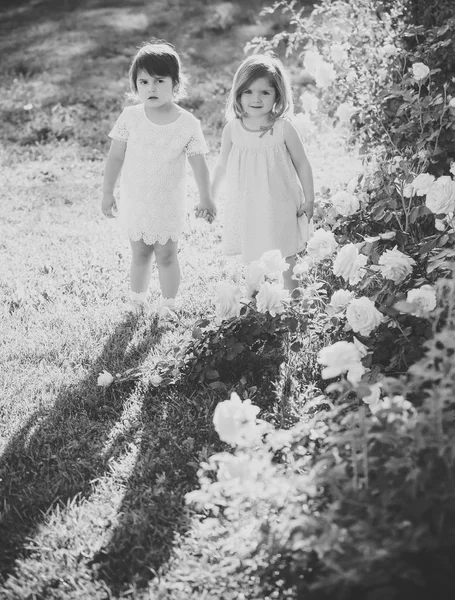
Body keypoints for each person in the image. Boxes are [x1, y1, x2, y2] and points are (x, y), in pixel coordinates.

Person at [102, 40, 216, 317]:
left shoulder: (187, 123)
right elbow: (115, 157)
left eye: (159, 80)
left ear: (175, 84)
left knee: (166, 255)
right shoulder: (130, 118)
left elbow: (199, 164)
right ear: (135, 85)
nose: (151, 88)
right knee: (140, 253)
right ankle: (137, 300)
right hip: (137, 200)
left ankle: (168, 304)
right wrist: (107, 192)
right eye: (143, 82)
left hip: (167, 203)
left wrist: (206, 197)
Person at [209, 53, 314, 290]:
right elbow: (221, 165)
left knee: (287, 254)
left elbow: (302, 163)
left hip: (281, 202)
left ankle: (295, 301)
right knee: (253, 256)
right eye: (248, 91)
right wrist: (209, 197)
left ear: (278, 94)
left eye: (265, 92)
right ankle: (254, 303)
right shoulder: (233, 130)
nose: (256, 98)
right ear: (238, 93)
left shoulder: (283, 128)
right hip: (248, 204)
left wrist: (310, 199)